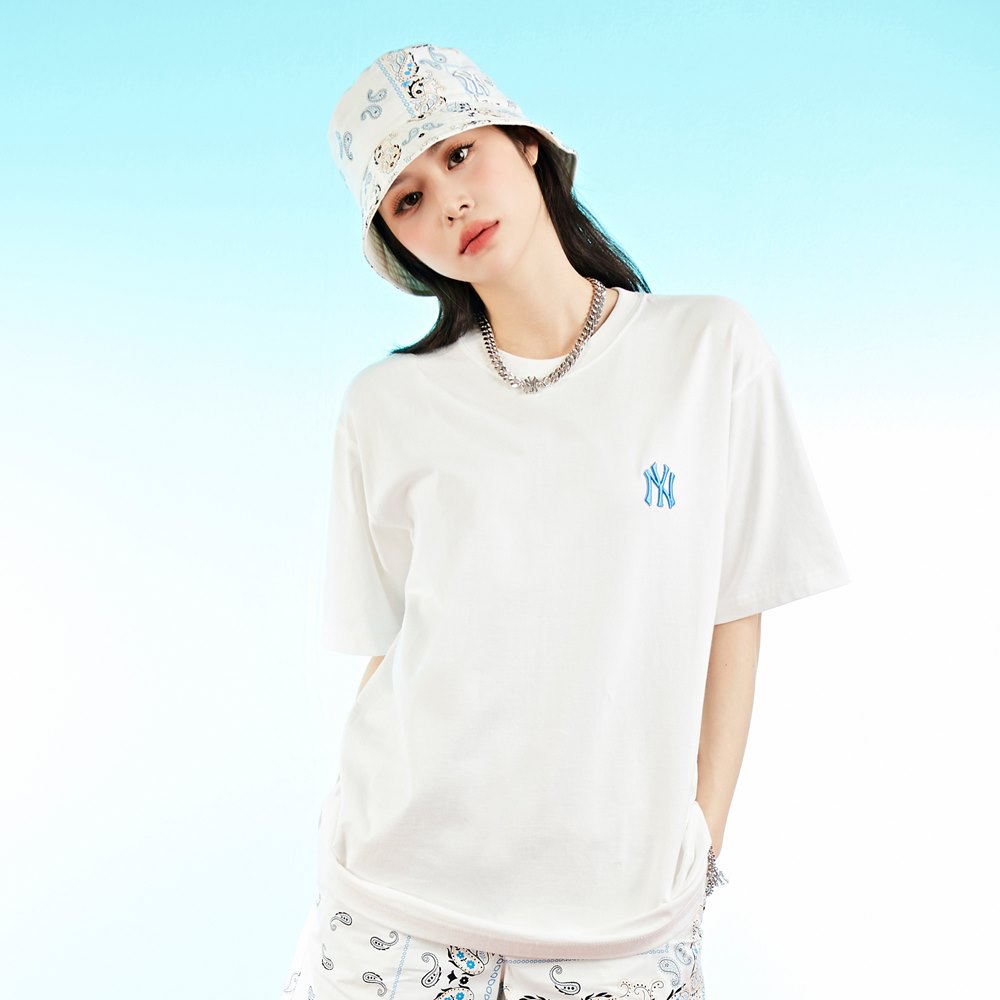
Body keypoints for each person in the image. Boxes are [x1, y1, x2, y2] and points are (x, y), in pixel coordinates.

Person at [279, 42, 851, 1000]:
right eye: (408, 198)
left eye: (459, 153)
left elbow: (735, 609)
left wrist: (701, 842)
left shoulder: (706, 350)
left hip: (619, 925)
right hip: (390, 902)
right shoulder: (385, 405)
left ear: (528, 144)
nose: (449, 202)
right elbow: (391, 646)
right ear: (398, 243)